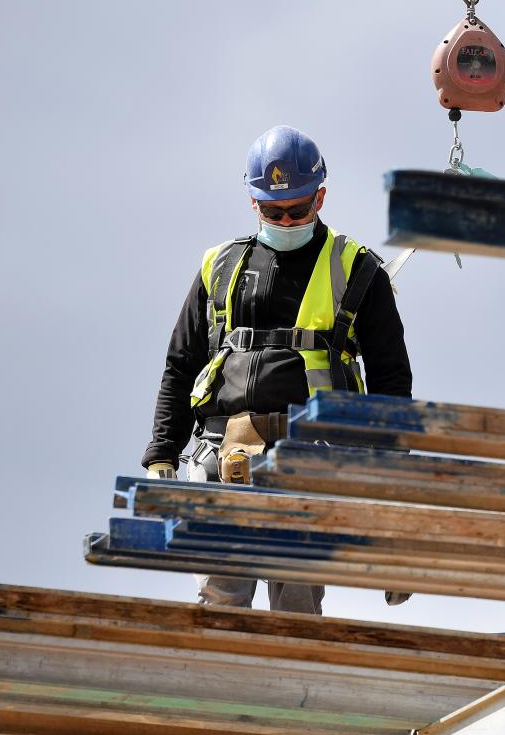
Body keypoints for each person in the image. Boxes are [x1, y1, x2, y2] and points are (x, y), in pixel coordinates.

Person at [141, 125, 413, 614]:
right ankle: (229, 687)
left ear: (321, 197)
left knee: (296, 602)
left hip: (310, 454)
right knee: (220, 598)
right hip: (222, 451)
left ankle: (292, 687)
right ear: (253, 203)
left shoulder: (357, 269)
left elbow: (391, 380)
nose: (286, 220)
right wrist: (162, 448)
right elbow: (181, 364)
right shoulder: (219, 267)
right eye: (273, 210)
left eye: (298, 209)